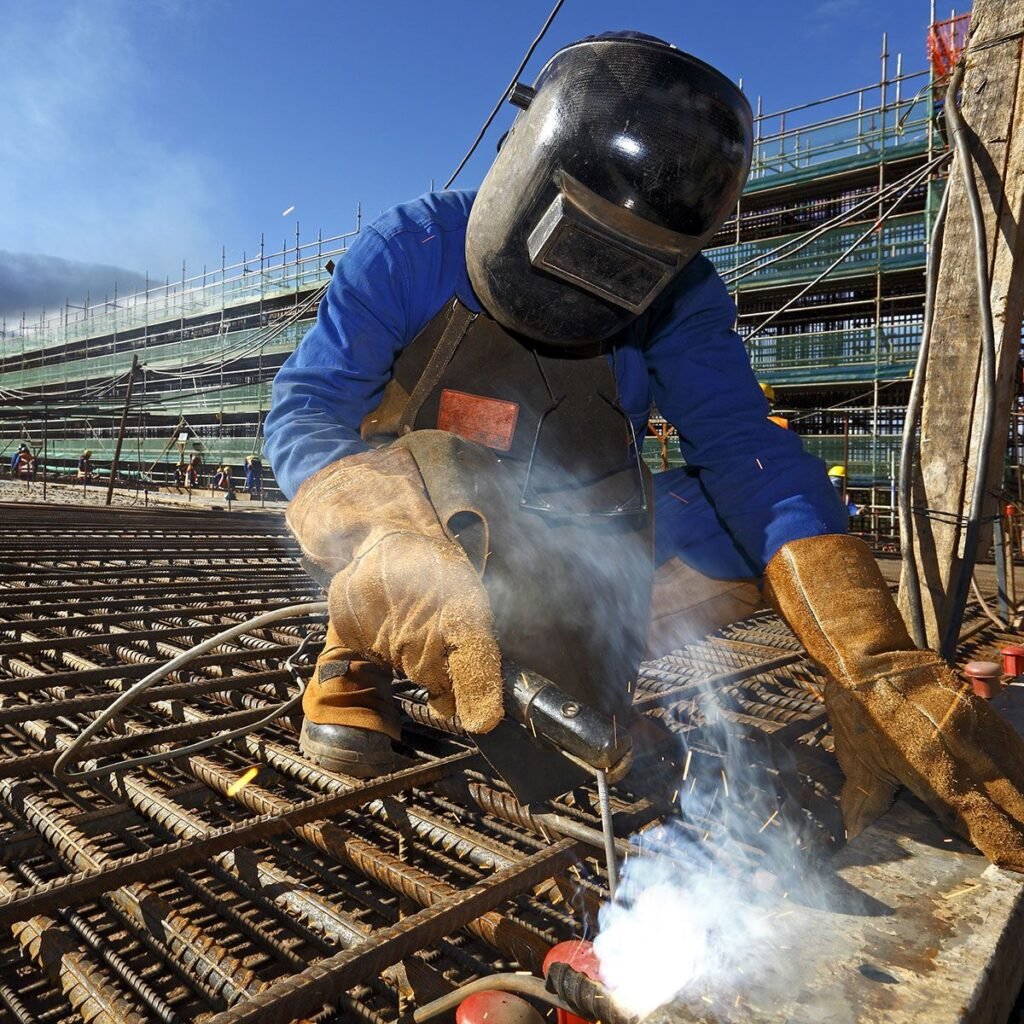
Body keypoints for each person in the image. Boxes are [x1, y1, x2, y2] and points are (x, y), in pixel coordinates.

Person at [265, 32, 1024, 868]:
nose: (585, 284)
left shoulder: (685, 295)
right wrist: (385, 545)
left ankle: (571, 650)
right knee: (434, 474)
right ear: (526, 175)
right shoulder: (411, 248)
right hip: (434, 529)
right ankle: (355, 652)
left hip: (581, 539)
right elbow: (306, 411)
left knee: (757, 531)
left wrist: (868, 659)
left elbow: (744, 451)